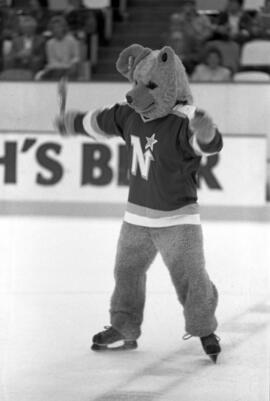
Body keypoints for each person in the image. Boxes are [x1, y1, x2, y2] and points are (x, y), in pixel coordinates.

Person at [55, 44, 222, 362]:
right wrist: (72, 122)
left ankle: (205, 328)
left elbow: (206, 145)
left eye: (149, 86)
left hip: (178, 219)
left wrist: (207, 132)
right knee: (126, 272)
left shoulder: (182, 121)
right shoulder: (128, 114)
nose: (136, 94)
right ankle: (124, 328)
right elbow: (98, 122)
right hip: (136, 218)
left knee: (192, 276)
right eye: (136, 84)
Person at [37, 15, 80, 80]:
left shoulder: (71, 40)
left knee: (68, 71)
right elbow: (51, 60)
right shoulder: (49, 43)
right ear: (51, 29)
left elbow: (76, 57)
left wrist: (71, 64)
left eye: (59, 27)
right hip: (55, 68)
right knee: (48, 74)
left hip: (69, 67)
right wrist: (61, 66)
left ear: (64, 28)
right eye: (54, 27)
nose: (57, 29)